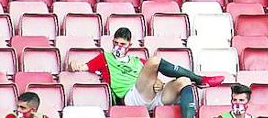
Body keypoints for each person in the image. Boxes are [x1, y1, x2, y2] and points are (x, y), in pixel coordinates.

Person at [69, 27, 222, 118]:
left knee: (184, 81)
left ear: (130, 45)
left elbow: (155, 79)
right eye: (116, 43)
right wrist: (72, 64)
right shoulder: (105, 57)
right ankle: (200, 79)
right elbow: (81, 67)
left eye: (122, 44)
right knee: (155, 60)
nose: (118, 47)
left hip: (151, 96)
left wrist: (158, 83)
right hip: (130, 97)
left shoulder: (138, 60)